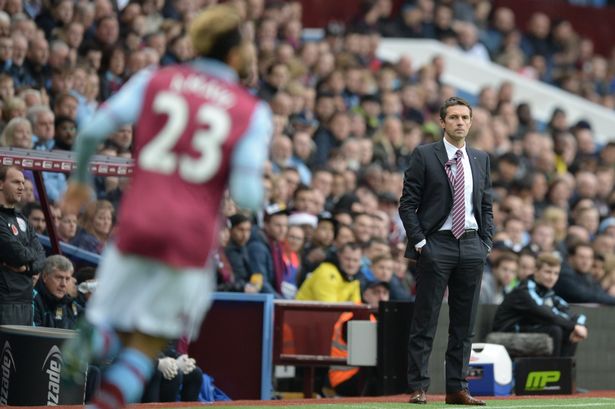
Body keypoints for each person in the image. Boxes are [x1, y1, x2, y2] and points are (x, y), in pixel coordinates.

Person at [59, 5, 272, 409]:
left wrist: (81, 182)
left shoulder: (155, 80)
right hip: (190, 240)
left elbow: (90, 132)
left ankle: (92, 339)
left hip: (140, 221)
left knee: (109, 323)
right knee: (148, 344)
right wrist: (258, 190)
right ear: (234, 53)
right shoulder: (250, 111)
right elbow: (245, 195)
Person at [399, 97, 493, 406]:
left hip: (471, 244)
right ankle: (418, 387)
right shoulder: (425, 155)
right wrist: (421, 243)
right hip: (436, 244)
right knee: (425, 319)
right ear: (442, 122)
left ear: (471, 121)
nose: (460, 122)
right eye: (453, 117)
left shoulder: (480, 158)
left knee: (464, 324)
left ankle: (457, 388)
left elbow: (486, 206)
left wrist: (486, 242)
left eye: (465, 117)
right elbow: (407, 204)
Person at [492, 252, 588, 357]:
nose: (552, 277)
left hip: (525, 330)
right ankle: (553, 369)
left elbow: (574, 315)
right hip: (506, 334)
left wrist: (579, 325)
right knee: (555, 330)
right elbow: (547, 314)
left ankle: (564, 371)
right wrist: (573, 326)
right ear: (536, 271)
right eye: (548, 272)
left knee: (569, 332)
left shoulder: (548, 293)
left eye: (556, 273)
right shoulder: (524, 290)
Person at [0, 165, 46, 325]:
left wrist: (26, 267)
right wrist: (29, 255)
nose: (21, 187)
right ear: (1, 184)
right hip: (5, 300)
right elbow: (18, 254)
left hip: (26, 299)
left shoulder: (23, 219)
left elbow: (42, 257)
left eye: (22, 183)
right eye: (16, 182)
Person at [329, 280, 389, 397]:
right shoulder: (356, 315)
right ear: (365, 294)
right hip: (345, 378)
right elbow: (369, 353)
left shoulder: (373, 315)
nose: (381, 296)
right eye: (376, 292)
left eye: (385, 292)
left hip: (355, 374)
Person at [295, 242, 363, 303]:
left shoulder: (353, 278)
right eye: (347, 259)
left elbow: (357, 308)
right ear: (339, 256)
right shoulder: (327, 273)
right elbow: (330, 310)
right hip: (302, 315)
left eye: (355, 260)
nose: (351, 264)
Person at [32, 254, 83, 328]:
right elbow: (34, 336)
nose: (63, 284)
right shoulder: (32, 299)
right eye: (59, 278)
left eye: (67, 279)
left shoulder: (68, 303)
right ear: (45, 277)